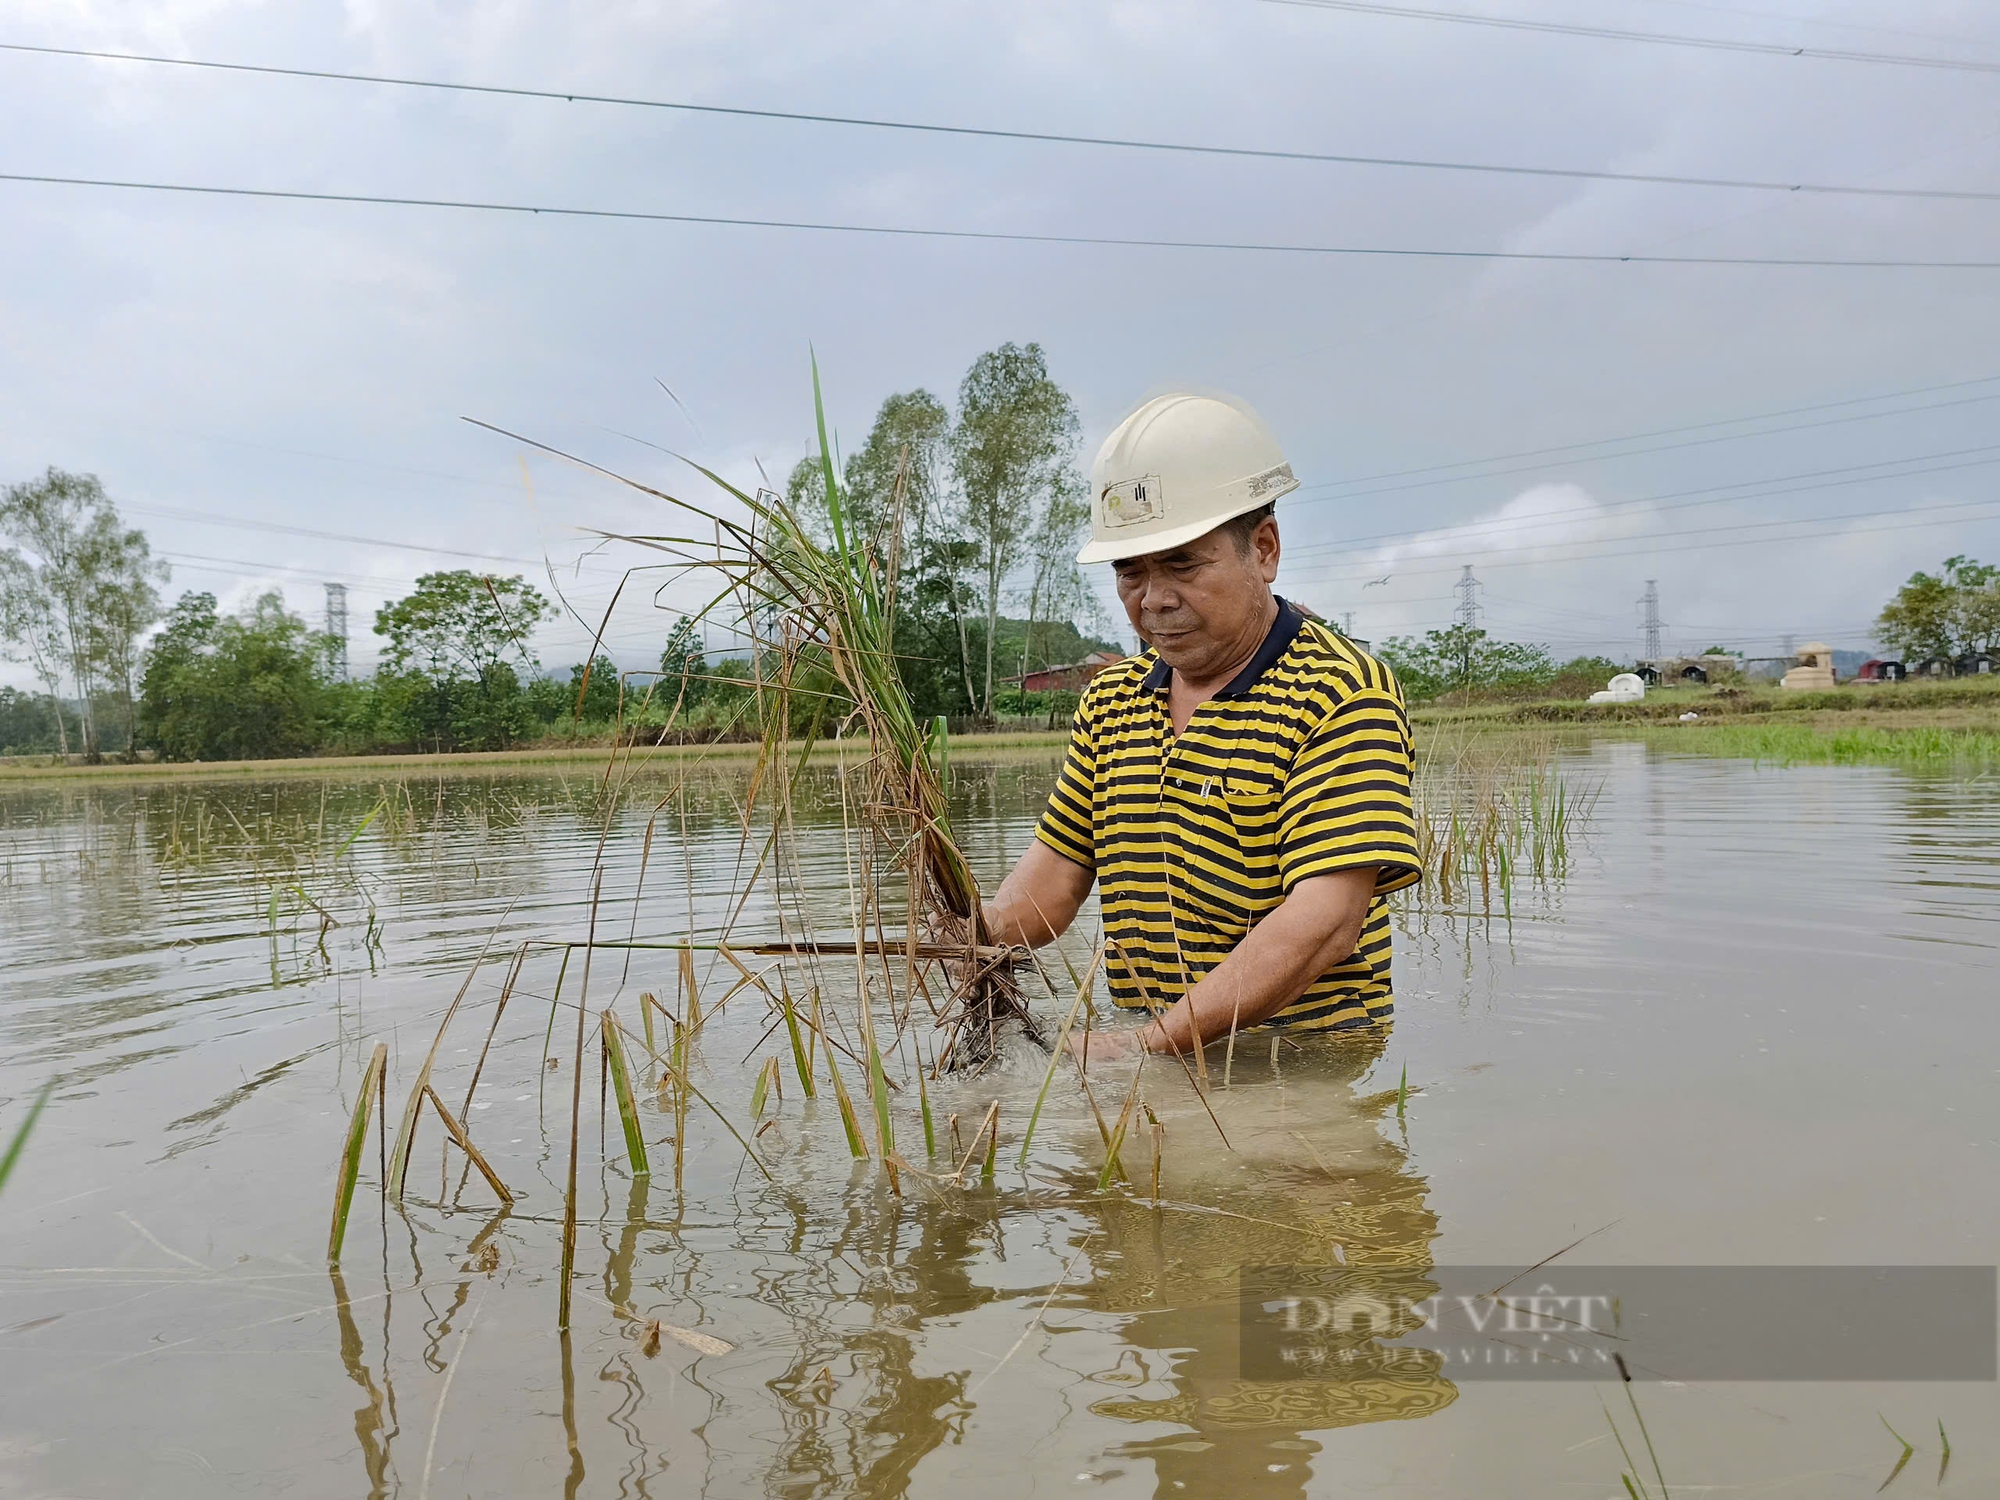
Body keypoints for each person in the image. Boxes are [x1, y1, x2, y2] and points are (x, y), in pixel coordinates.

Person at [982, 392, 1422, 1064]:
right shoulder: (1112, 701)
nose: (1153, 598)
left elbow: (1327, 921)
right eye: (1131, 572)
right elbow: (1052, 886)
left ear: (1264, 550)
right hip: (1143, 1037)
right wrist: (963, 933)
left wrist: (1144, 1047)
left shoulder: (1336, 692)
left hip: (1296, 1060)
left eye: (1183, 565)